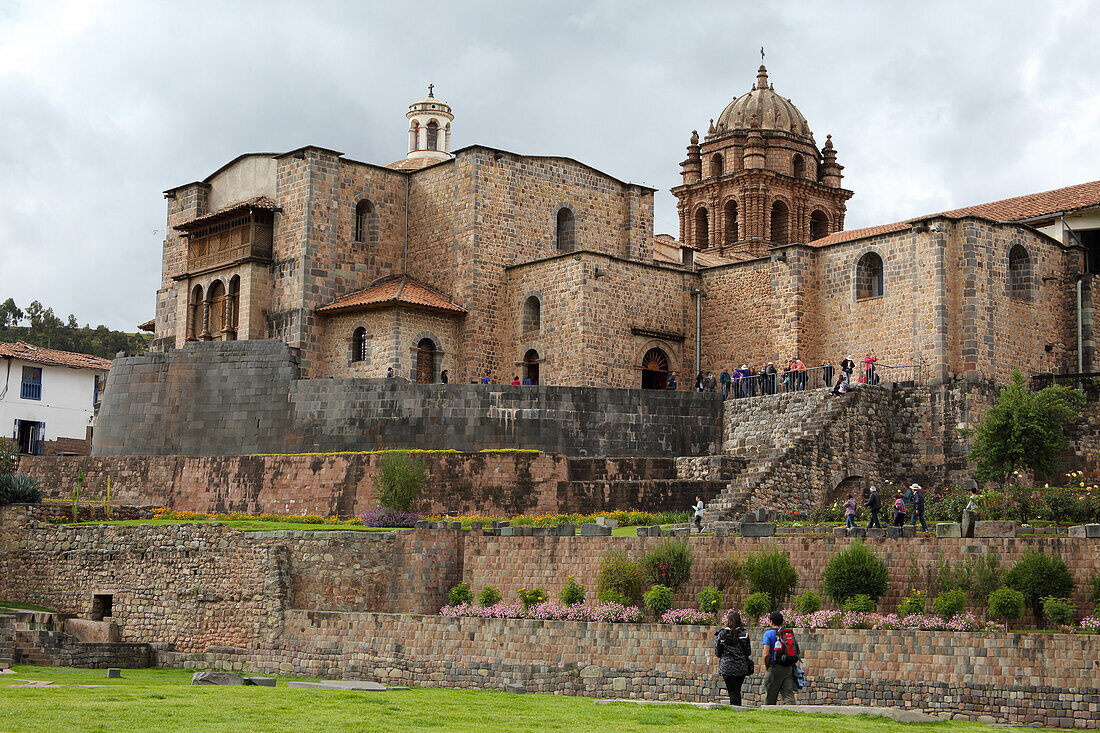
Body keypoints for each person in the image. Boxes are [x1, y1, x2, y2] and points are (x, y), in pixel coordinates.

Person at [715, 610, 752, 706]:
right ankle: (737, 708)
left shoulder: (722, 634)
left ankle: (735, 709)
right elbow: (748, 652)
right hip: (741, 666)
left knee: (732, 691)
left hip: (727, 667)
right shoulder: (744, 634)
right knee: (737, 690)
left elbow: (717, 652)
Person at [761, 611, 797, 705]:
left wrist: (767, 666)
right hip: (788, 668)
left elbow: (766, 654)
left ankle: (769, 716)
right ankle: (791, 714)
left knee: (770, 696)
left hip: (774, 668)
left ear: (771, 622)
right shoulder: (787, 633)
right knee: (788, 695)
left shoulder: (768, 634)